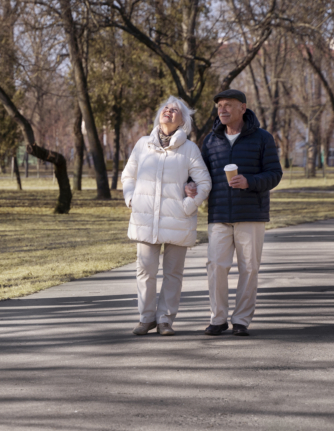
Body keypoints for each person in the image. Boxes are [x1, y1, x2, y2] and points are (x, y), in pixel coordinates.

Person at [186, 89, 282, 336]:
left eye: (228, 105)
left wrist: (249, 181)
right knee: (216, 266)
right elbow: (199, 173)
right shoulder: (210, 140)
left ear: (243, 107)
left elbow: (274, 174)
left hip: (251, 214)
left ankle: (241, 320)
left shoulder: (262, 138)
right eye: (219, 106)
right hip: (218, 214)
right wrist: (191, 184)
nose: (222, 110)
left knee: (249, 268)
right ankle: (218, 319)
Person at [121, 96, 212, 336]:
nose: (168, 111)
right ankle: (146, 318)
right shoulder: (143, 144)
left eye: (175, 110)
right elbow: (128, 175)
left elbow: (204, 182)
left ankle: (165, 320)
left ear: (183, 121)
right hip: (145, 219)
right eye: (166, 108)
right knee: (145, 271)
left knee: (173, 274)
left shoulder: (189, 149)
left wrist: (188, 205)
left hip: (178, 219)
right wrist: (131, 198)